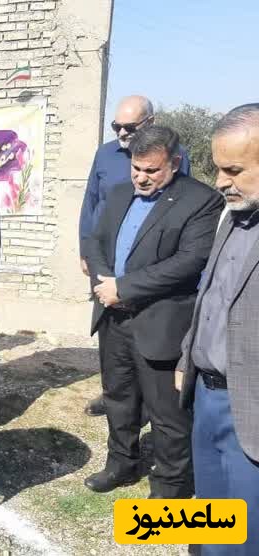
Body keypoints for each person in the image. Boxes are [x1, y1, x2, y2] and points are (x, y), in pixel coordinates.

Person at [84, 126, 223, 496]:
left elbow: (190, 261)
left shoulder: (201, 201)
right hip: (113, 316)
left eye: (151, 171)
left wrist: (124, 288)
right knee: (119, 397)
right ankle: (121, 464)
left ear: (175, 163)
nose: (141, 178)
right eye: (136, 169)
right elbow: (96, 242)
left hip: (160, 322)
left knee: (168, 413)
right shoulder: (117, 193)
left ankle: (171, 484)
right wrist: (105, 284)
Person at [178, 103, 259, 555]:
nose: (219, 182)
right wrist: (187, 353)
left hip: (252, 410)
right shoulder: (233, 215)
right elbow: (212, 295)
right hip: (207, 399)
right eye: (216, 168)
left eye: (233, 170)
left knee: (246, 539)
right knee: (208, 525)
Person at [79, 95, 191, 417]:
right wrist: (85, 248)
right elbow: (90, 203)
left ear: (150, 123)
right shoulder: (105, 154)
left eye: (130, 127)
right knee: (108, 328)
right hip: (105, 259)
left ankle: (145, 401)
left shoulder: (173, 157)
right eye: (117, 126)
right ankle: (112, 391)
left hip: (144, 262)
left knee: (144, 331)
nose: (122, 133)